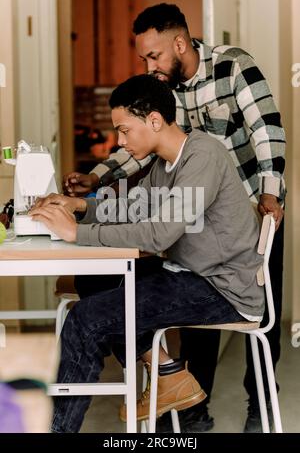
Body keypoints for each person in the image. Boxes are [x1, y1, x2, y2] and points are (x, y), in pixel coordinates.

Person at [63, 4, 286, 433]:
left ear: (179, 44)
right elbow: (141, 143)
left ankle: (260, 407)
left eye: (153, 56)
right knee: (193, 322)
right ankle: (188, 406)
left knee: (254, 314)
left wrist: (270, 194)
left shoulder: (232, 67)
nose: (148, 66)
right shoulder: (164, 96)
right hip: (192, 225)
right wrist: (94, 180)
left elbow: (267, 130)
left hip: (252, 213)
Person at [30, 74, 265, 433]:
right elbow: (133, 208)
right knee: (94, 278)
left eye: (124, 130)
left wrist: (75, 233)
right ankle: (166, 371)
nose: (120, 142)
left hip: (221, 287)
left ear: (154, 120)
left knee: (87, 320)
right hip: (189, 272)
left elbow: (158, 234)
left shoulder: (203, 157)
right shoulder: (164, 164)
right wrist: (78, 205)